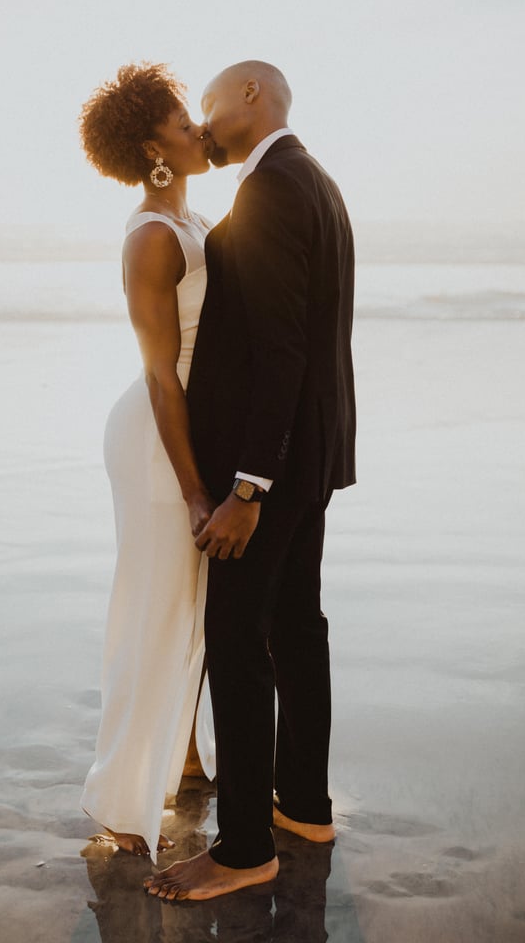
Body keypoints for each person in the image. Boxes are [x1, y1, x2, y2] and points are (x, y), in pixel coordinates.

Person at [145, 61, 356, 901]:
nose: (204, 128)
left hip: (269, 466)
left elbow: (280, 349)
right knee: (297, 625)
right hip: (316, 453)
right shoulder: (316, 178)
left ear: (249, 98)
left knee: (237, 639)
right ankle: (304, 805)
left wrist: (246, 488)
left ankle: (241, 851)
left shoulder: (271, 188)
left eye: (209, 110)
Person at [79, 62, 216, 859]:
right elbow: (164, 375)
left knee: (190, 607)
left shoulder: (189, 218)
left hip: (186, 434)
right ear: (149, 145)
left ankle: (187, 756)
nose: (197, 127)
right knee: (155, 605)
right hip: (159, 443)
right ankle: (120, 798)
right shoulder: (154, 236)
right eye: (179, 119)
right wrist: (197, 492)